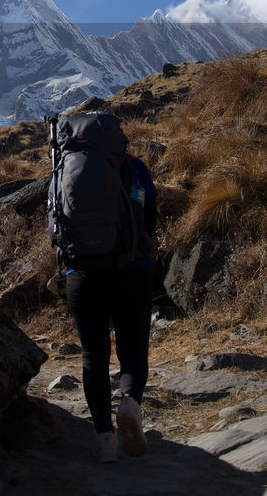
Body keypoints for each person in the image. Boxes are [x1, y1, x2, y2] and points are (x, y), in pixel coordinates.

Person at [65, 147, 157, 463]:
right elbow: (151, 215)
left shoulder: (65, 167)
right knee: (132, 350)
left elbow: (55, 219)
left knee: (94, 355)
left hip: (82, 273)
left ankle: (104, 437)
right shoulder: (132, 165)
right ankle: (130, 404)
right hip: (133, 270)